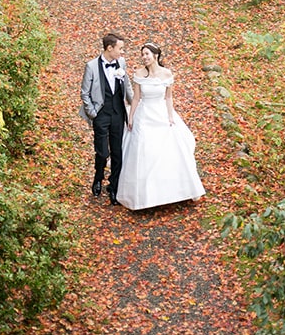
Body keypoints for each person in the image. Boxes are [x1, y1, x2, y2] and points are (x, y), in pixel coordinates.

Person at [116, 42, 206, 211]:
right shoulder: (139, 73)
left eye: (147, 54)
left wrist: (170, 116)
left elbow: (168, 97)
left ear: (155, 55)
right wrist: (131, 117)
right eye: (142, 54)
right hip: (144, 115)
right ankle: (144, 197)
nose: (144, 57)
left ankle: (174, 192)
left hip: (161, 113)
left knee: (168, 151)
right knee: (145, 152)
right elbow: (135, 98)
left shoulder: (166, 74)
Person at [80, 31, 133, 205]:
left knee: (118, 152)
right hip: (101, 114)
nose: (122, 52)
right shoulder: (92, 66)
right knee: (102, 151)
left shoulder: (121, 63)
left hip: (118, 113)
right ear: (109, 48)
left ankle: (114, 188)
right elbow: (85, 93)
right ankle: (98, 177)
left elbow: (127, 86)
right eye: (120, 48)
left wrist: (134, 106)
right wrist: (93, 113)